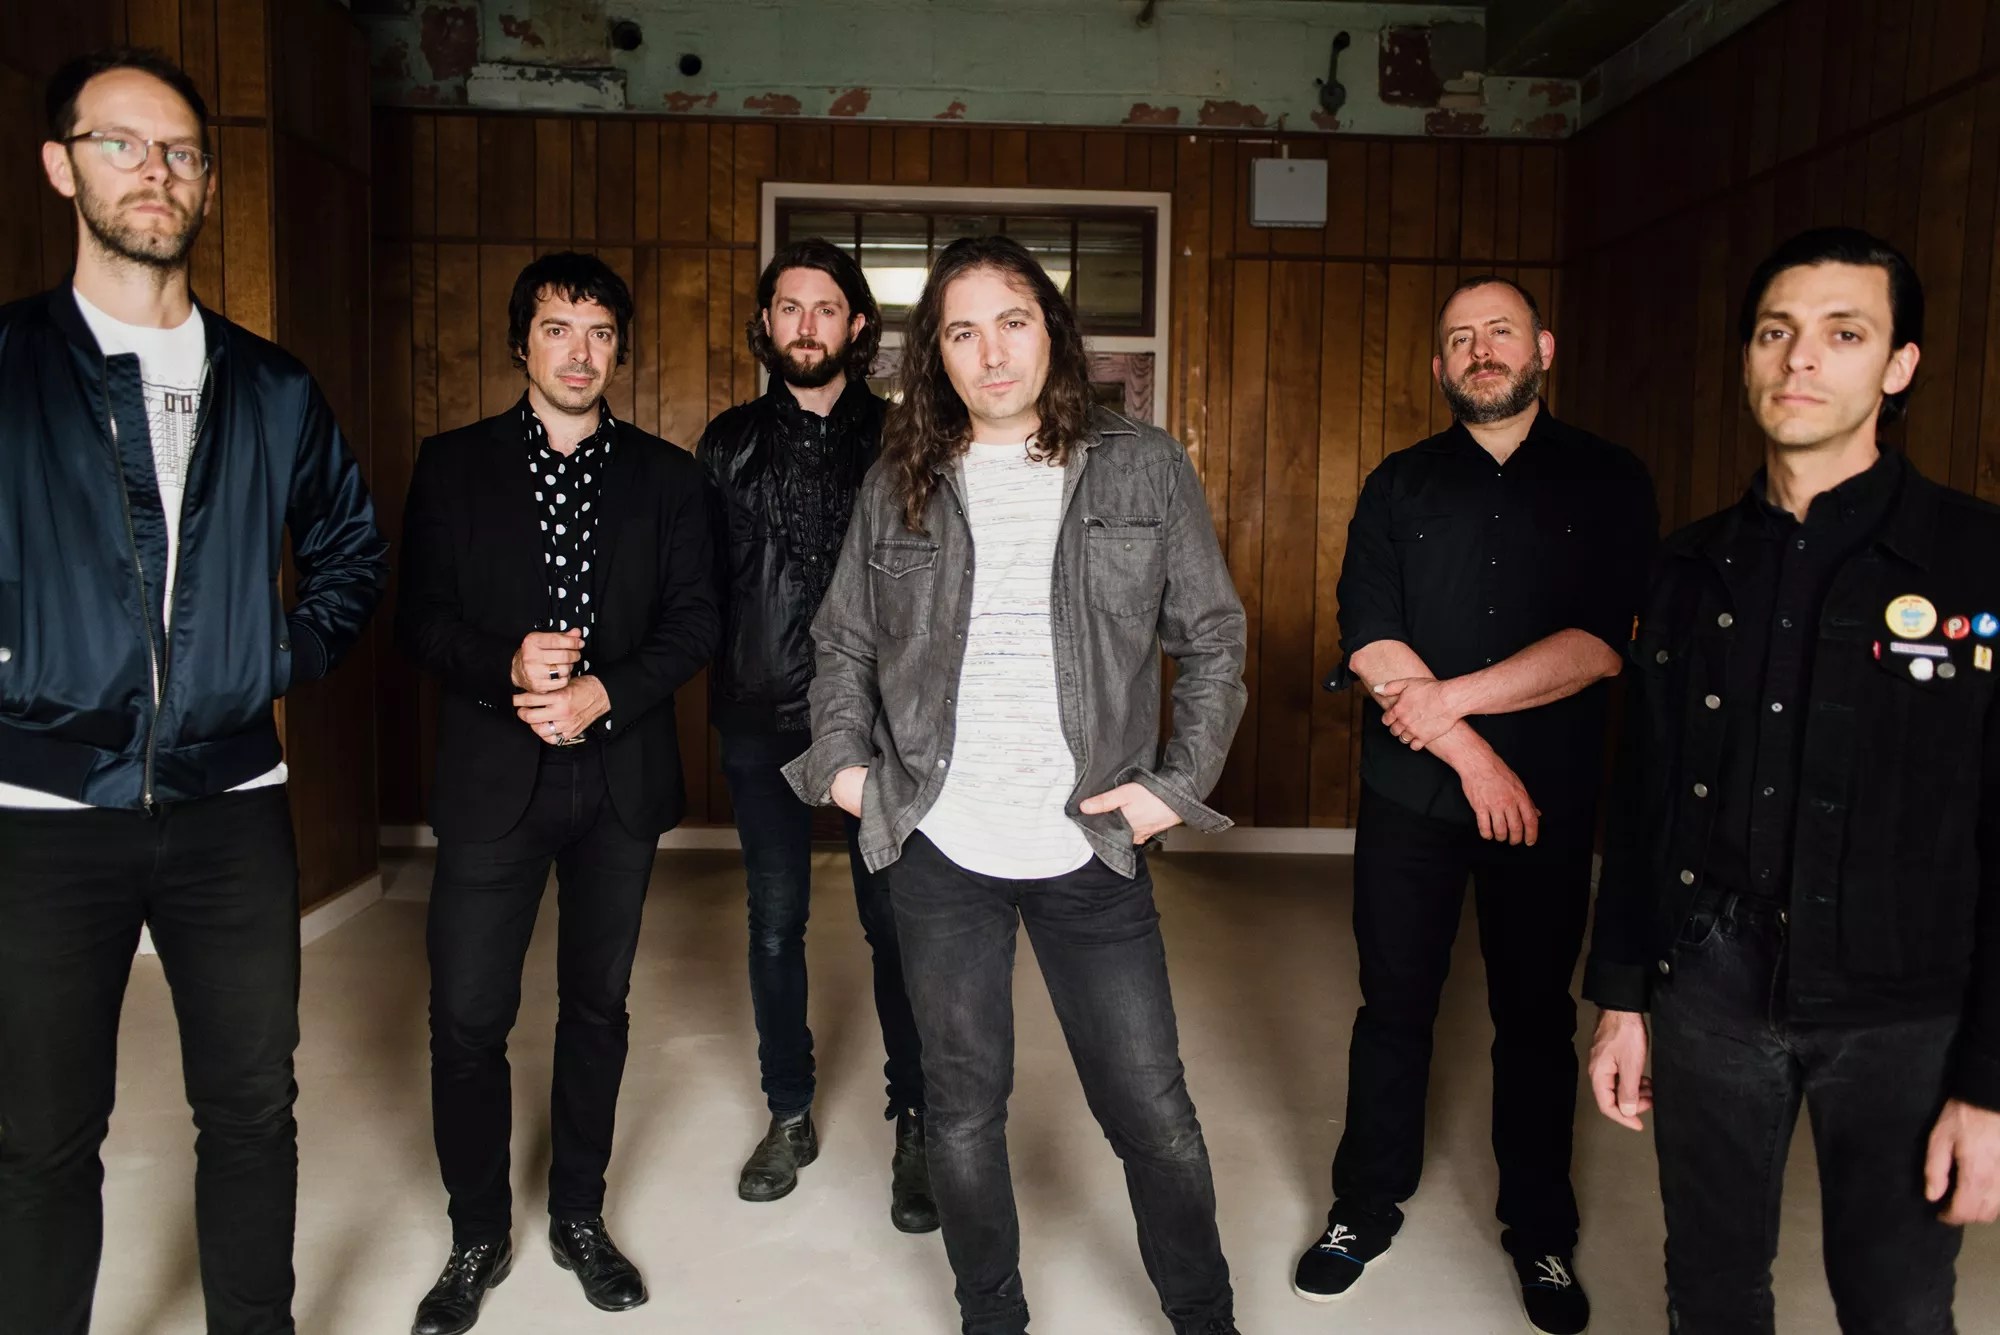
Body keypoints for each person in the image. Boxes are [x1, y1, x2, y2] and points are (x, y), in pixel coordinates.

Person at [784, 234, 1247, 1335]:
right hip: (940, 847)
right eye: (961, 332)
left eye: (1012, 322)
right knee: (960, 1112)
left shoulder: (1141, 465)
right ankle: (991, 1319)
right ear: (933, 355)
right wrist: (845, 769)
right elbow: (842, 642)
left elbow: (1213, 639)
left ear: (1051, 331)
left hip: (1091, 843)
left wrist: (1172, 785)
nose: (990, 353)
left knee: (1153, 1115)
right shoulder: (899, 477)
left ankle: (1204, 1320)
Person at [0, 47, 388, 1335]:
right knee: (41, 1132)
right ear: (61, 167)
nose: (153, 172)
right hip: (43, 811)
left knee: (251, 1109)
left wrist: (272, 660)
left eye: (178, 152)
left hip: (232, 804)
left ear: (210, 183)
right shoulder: (8, 363)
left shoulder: (270, 385)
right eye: (119, 144)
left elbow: (350, 550)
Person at [1585, 227, 2000, 1333]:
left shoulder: (1976, 562)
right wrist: (1621, 998)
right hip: (1709, 983)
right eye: (1775, 332)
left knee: (1894, 1304)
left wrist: (1990, 1086)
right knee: (1710, 1289)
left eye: (1842, 333)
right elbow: (1642, 795)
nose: (1800, 358)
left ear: (1898, 366)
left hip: (1904, 1010)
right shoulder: (1686, 566)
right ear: (1747, 359)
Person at [1303, 276, 1655, 1333]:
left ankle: (1539, 1232)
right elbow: (1369, 634)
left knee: (1535, 1018)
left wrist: (1451, 705)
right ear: (1437, 366)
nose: (1480, 349)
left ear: (1542, 347)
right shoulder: (1398, 483)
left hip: (1546, 798)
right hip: (1411, 792)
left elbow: (1600, 644)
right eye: (1459, 338)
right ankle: (1363, 1208)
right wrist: (1471, 757)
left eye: (1499, 331)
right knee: (1392, 1008)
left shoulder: (1609, 478)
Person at [396, 251, 717, 1334]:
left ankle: (578, 1214)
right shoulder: (452, 466)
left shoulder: (669, 477)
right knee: (466, 1018)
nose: (579, 353)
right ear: (519, 343)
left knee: (596, 1008)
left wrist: (602, 694)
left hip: (617, 781)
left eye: (600, 333)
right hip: (493, 779)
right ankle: (476, 1232)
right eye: (557, 329)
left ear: (619, 350)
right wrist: (505, 664)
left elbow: (695, 623)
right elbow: (418, 621)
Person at [696, 238, 934, 1230]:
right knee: (773, 920)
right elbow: (701, 589)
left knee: (896, 926)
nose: (805, 325)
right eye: (788, 307)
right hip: (760, 719)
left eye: (825, 307)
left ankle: (918, 1120)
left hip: (880, 725)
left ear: (857, 325)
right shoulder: (725, 444)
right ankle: (788, 1113)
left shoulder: (905, 439)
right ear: (765, 325)